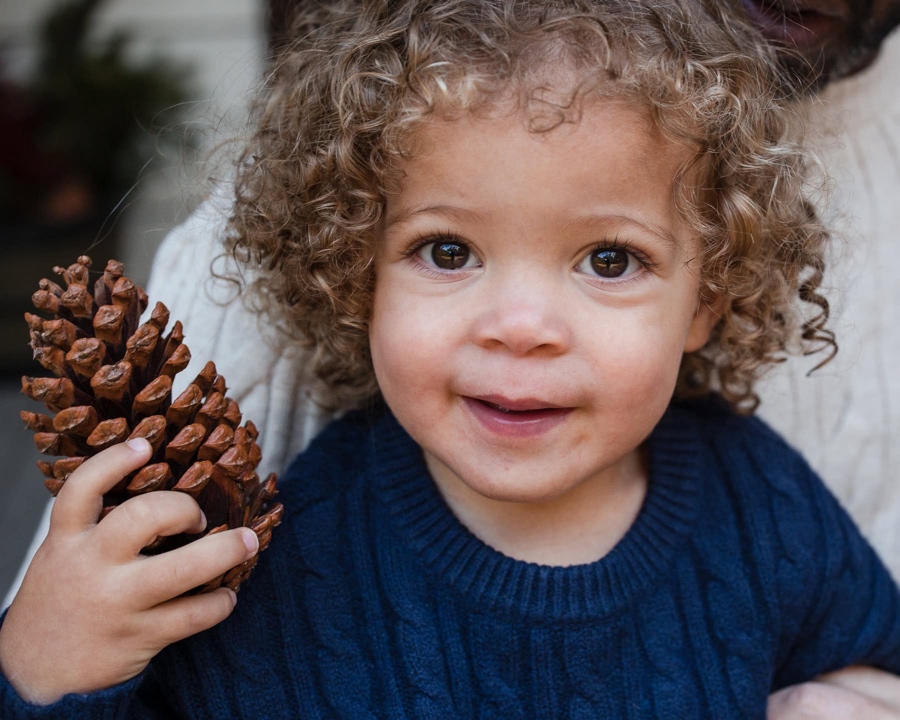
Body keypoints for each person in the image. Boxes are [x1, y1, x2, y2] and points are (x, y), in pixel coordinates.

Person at [1, 0, 899, 717]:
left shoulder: (759, 508)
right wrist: (47, 666)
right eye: (447, 251)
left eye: (610, 260)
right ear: (359, 270)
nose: (519, 326)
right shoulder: (287, 559)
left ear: (707, 299)